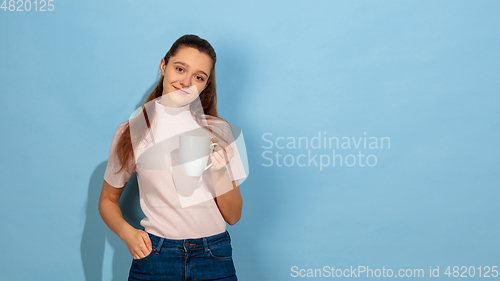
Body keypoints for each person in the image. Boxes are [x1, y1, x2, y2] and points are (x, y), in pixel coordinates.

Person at [98, 34, 247, 281]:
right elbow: (107, 201)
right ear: (163, 66)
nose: (186, 82)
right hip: (155, 257)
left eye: (199, 77)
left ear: (205, 84)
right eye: (180, 69)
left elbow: (233, 216)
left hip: (213, 256)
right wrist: (128, 234)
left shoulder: (219, 130)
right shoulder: (130, 132)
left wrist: (219, 171)